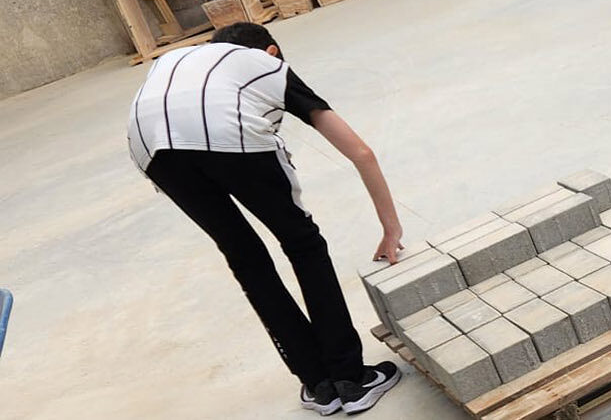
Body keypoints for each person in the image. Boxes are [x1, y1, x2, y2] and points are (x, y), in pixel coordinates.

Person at [127, 22, 404, 415]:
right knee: (303, 244)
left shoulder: (175, 59)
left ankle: (318, 385)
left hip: (149, 145)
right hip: (225, 130)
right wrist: (391, 229)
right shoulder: (265, 64)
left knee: (245, 257)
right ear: (271, 51)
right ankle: (350, 379)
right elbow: (360, 152)